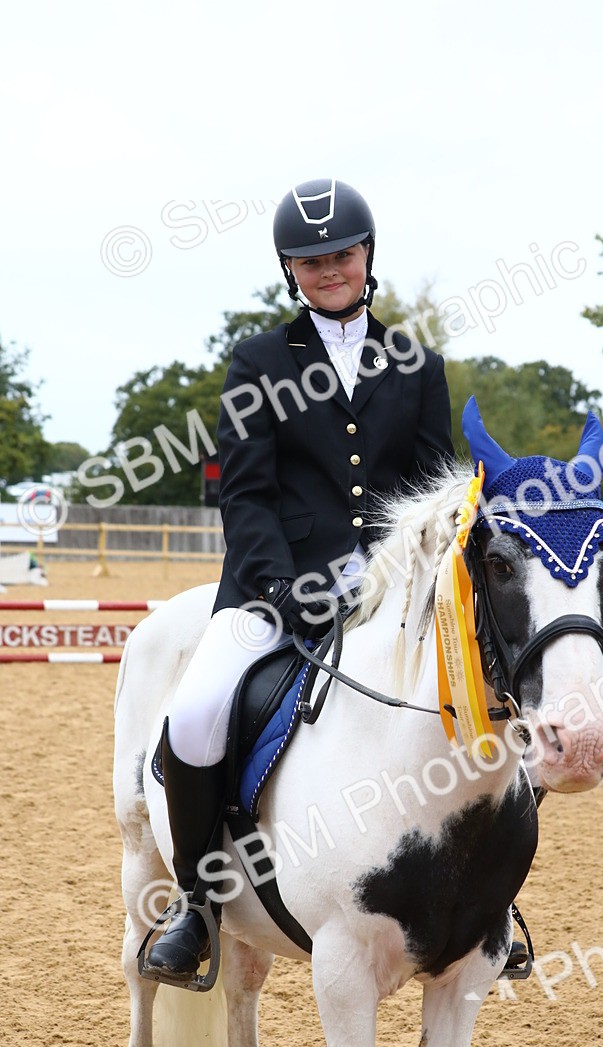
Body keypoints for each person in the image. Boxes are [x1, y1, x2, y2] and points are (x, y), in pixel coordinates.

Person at [145, 178, 455, 984]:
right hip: (270, 591)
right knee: (202, 705)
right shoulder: (256, 362)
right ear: (290, 270)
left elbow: (430, 492)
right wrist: (282, 587)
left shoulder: (416, 364)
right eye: (311, 260)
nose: (330, 270)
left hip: (389, 598)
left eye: (342, 254)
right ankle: (195, 906)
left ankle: (488, 902)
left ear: (367, 257)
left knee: (481, 688)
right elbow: (244, 493)